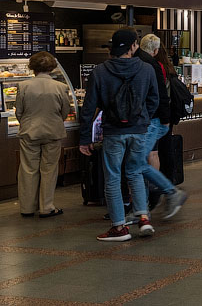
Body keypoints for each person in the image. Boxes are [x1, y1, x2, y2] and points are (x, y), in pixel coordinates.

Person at [79, 29, 159, 242]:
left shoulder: (100, 71)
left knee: (113, 178)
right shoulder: (147, 69)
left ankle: (119, 228)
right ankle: (143, 218)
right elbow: (154, 100)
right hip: (139, 130)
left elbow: (89, 108)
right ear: (134, 46)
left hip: (113, 131)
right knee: (136, 173)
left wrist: (85, 138)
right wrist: (142, 119)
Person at [134, 36, 188, 219]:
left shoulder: (149, 65)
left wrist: (163, 119)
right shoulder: (156, 65)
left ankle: (161, 195)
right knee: (143, 159)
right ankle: (143, 206)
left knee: (137, 162)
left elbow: (159, 95)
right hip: (156, 120)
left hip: (151, 121)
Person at [15, 51, 70, 218]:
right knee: (49, 169)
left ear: (32, 67)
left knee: (28, 169)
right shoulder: (61, 87)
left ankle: (27, 207)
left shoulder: (24, 86)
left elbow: (19, 112)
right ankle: (46, 207)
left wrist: (26, 122)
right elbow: (65, 111)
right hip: (53, 132)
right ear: (52, 67)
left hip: (29, 132)